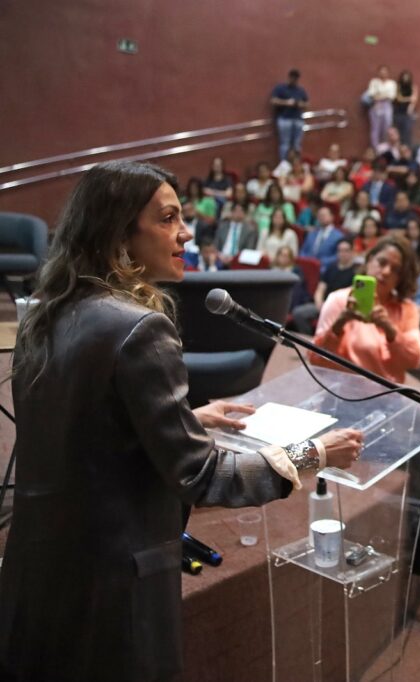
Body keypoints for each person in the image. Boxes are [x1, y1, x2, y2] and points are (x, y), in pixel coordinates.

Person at [0, 161, 362, 681]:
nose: (186, 233)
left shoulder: (47, 312)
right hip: (114, 586)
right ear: (118, 231)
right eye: (168, 219)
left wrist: (186, 417)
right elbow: (203, 475)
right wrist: (314, 455)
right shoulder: (140, 326)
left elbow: (81, 432)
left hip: (42, 569)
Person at [312, 235, 420, 383]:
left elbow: (414, 361)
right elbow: (317, 361)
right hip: (342, 395)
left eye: (396, 270)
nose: (386, 272)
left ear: (401, 277)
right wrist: (339, 325)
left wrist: (391, 331)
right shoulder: (338, 300)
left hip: (389, 399)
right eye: (382, 262)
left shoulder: (407, 309)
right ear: (370, 259)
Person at [291, 238, 359, 335]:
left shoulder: (356, 272)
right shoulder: (331, 267)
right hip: (323, 304)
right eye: (340, 250)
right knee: (298, 313)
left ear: (352, 252)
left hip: (341, 308)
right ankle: (308, 339)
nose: (342, 253)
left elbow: (353, 295)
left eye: (346, 250)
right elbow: (320, 288)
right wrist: (319, 302)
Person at [269, 69, 309, 161]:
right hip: (284, 118)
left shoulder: (300, 90)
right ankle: (284, 164)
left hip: (298, 119)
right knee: (285, 144)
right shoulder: (280, 88)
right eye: (293, 78)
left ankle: (296, 163)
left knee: (297, 144)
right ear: (289, 77)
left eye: (296, 78)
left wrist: (299, 104)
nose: (294, 80)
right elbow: (273, 101)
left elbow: (307, 103)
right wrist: (287, 102)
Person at [392, 70, 418, 145]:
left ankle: (406, 147)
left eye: (407, 77)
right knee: (397, 132)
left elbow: (414, 99)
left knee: (407, 132)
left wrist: (410, 107)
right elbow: (399, 98)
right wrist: (409, 99)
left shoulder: (413, 86)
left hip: (408, 113)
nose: (405, 79)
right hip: (398, 112)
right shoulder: (398, 86)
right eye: (404, 77)